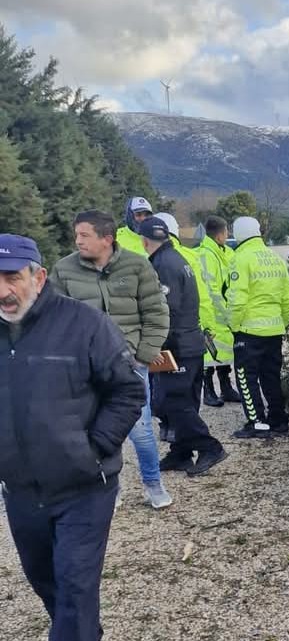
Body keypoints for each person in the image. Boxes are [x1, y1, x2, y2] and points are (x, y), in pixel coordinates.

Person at [0, 234, 145, 641]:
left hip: (83, 487)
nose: (3, 291)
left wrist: (93, 448)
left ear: (39, 276)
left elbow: (129, 390)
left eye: (12, 277)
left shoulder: (84, 324)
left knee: (76, 588)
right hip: (21, 492)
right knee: (45, 582)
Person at [50, 210, 173, 509]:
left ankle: (153, 484)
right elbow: (52, 318)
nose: (77, 240)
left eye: (84, 235)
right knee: (97, 430)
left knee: (141, 431)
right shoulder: (63, 270)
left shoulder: (137, 266)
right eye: (76, 234)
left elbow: (157, 314)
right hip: (85, 369)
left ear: (107, 239)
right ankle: (108, 488)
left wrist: (142, 357)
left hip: (130, 365)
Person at [140, 216, 227, 475]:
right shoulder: (177, 259)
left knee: (172, 403)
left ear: (144, 241)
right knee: (185, 401)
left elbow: (166, 309)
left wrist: (156, 346)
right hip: (190, 342)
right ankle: (181, 452)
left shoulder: (162, 265)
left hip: (177, 345)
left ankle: (210, 446)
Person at [228, 216, 289, 439]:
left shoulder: (241, 258)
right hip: (275, 330)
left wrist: (234, 325)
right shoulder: (275, 258)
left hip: (249, 330)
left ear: (237, 234)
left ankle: (257, 422)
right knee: (271, 376)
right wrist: (281, 322)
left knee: (246, 377)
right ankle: (278, 419)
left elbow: (237, 299)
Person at [154, 212, 225, 407]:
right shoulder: (190, 256)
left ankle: (168, 425)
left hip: (166, 333)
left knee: (166, 384)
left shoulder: (155, 259)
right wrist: (208, 328)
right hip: (194, 329)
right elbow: (203, 296)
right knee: (191, 384)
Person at [196, 215, 241, 406]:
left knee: (225, 353)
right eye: (226, 231)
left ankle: (226, 387)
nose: (228, 234)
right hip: (212, 313)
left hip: (225, 312)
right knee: (209, 354)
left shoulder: (226, 252)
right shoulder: (206, 254)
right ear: (220, 234)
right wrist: (224, 310)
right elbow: (210, 287)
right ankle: (208, 391)